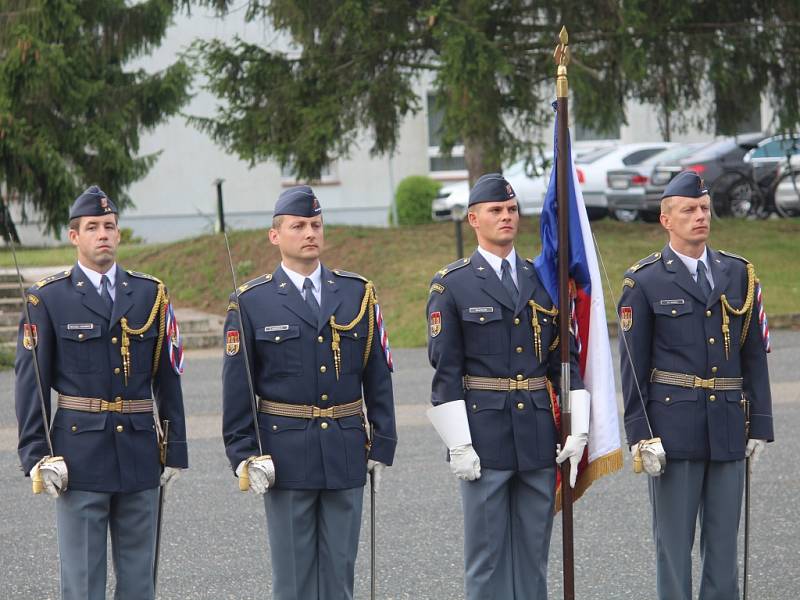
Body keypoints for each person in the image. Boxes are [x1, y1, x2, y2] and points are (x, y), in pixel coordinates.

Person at [222, 185, 397, 600]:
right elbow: (237, 387)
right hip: (284, 455)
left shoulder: (356, 294)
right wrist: (244, 455)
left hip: (344, 451)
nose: (309, 233)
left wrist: (381, 443)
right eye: (298, 226)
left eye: (315, 224)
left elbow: (378, 373)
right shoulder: (252, 301)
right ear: (275, 235)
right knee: (294, 581)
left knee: (339, 577)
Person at [15, 186, 188, 600]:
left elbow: (168, 377)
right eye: (92, 227)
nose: (103, 234)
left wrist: (174, 449)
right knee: (83, 583)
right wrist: (38, 456)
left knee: (138, 581)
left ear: (119, 234)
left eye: (109, 226)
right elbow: (31, 385)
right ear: (74, 236)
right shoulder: (48, 298)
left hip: (139, 454)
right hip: (79, 456)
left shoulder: (150, 295)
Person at [425, 173, 590, 600]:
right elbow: (446, 370)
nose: (506, 217)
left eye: (512, 210)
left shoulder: (542, 279)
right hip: (485, 437)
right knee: (488, 559)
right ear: (473, 219)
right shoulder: (453, 284)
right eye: (496, 211)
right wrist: (458, 443)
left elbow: (563, 359)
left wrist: (579, 426)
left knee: (534, 556)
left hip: (537, 435)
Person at [618, 170, 773, 600]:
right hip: (673, 428)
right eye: (688, 210)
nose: (700, 216)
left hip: (726, 424)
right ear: (666, 219)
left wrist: (759, 424)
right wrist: (641, 435)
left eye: (704, 208)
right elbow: (633, 366)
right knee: (673, 549)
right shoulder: (644, 281)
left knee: (724, 552)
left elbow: (754, 354)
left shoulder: (738, 273)